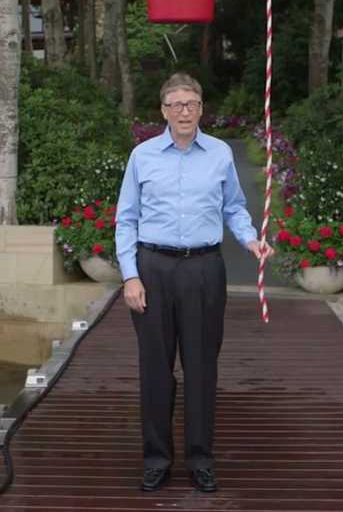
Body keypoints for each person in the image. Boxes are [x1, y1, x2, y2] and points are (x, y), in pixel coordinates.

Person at [115, 72, 273, 493]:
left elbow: (235, 208)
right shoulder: (142, 156)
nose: (184, 111)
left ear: (201, 109)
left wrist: (251, 239)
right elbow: (125, 220)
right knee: (155, 370)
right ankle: (156, 459)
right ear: (163, 111)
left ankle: (201, 459)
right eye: (176, 104)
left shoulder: (220, 154)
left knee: (201, 368)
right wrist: (130, 276)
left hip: (204, 270)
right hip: (153, 270)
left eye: (191, 104)